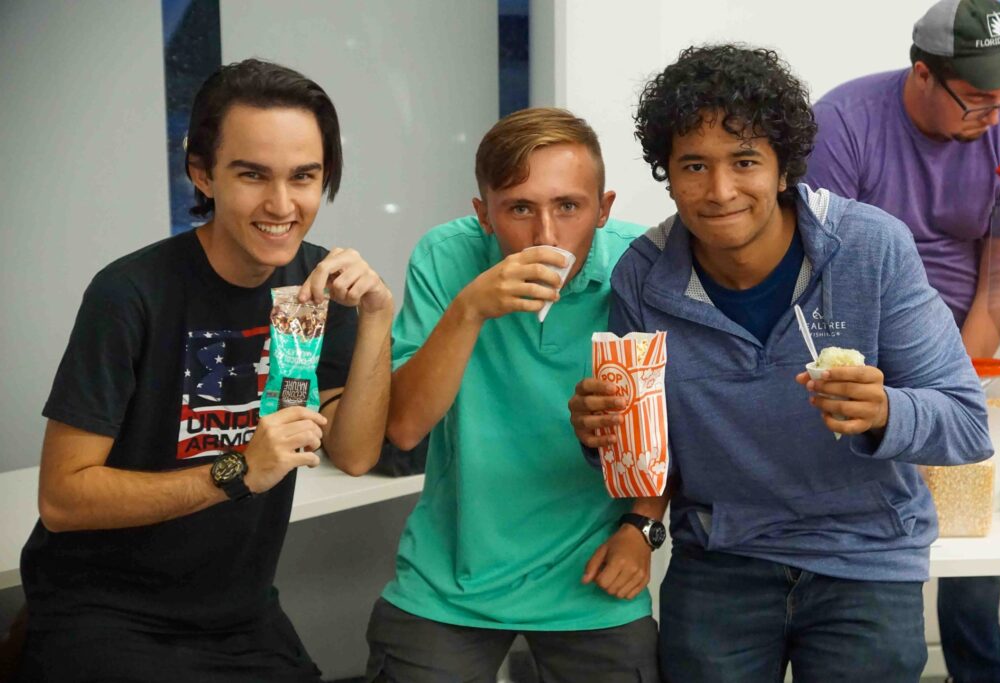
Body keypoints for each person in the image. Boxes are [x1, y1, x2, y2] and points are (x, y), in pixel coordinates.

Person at [569, 44, 994, 683]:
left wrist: (885, 411)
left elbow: (967, 424)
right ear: (667, 171)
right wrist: (601, 435)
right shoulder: (645, 275)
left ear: (784, 167)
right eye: (693, 166)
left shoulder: (870, 248)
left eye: (745, 162)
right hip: (721, 559)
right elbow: (644, 453)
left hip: (865, 556)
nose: (720, 191)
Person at [15, 59, 393, 683]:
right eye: (252, 175)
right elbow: (62, 498)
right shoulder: (130, 293)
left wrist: (378, 318)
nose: (281, 204)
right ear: (202, 173)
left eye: (304, 177)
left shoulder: (317, 285)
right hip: (104, 613)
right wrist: (238, 470)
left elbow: (353, 454)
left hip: (240, 615)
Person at [366, 107, 661, 682]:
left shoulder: (643, 264)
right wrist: (470, 308)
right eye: (520, 208)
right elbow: (403, 428)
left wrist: (643, 528)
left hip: (594, 571)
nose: (545, 236)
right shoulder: (444, 256)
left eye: (568, 207)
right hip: (450, 576)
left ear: (603, 209)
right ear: (484, 214)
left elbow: (677, 422)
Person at [805, 1, 1000, 680]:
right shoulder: (840, 124)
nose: (993, 114)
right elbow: (822, 275)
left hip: (963, 348)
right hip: (860, 348)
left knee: (971, 541)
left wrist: (949, 380)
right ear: (922, 73)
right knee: (866, 531)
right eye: (977, 98)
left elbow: (997, 278)